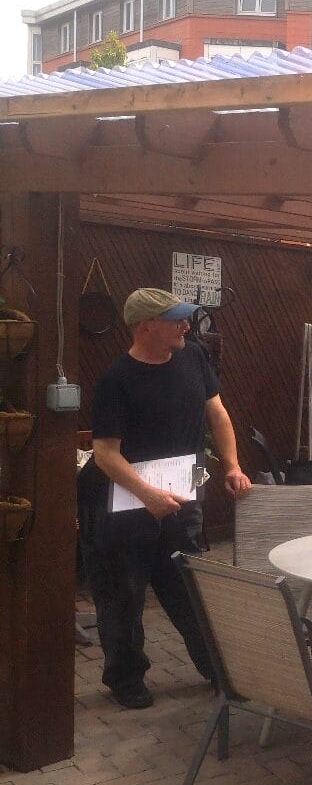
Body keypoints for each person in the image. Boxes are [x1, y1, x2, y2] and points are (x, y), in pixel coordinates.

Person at [77, 288, 254, 709]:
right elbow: (105, 454)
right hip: (122, 502)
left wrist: (232, 465)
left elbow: (217, 413)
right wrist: (148, 496)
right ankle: (126, 679)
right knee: (123, 594)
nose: (186, 326)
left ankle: (218, 668)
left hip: (181, 495)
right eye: (177, 319)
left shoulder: (193, 357)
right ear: (146, 327)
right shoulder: (116, 380)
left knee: (188, 585)